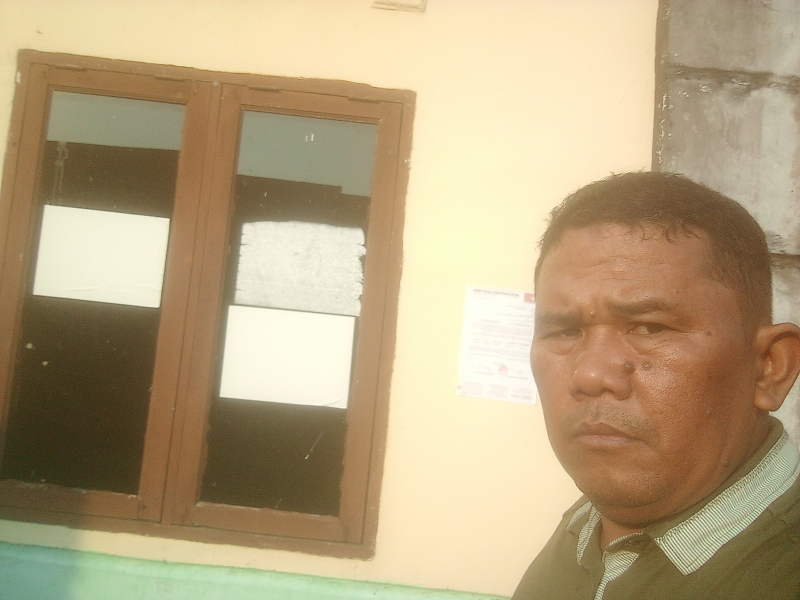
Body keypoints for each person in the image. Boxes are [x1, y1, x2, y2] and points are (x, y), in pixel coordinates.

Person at [513, 172, 800, 600]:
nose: (590, 375)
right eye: (564, 331)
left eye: (649, 327)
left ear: (769, 368)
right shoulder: (587, 525)